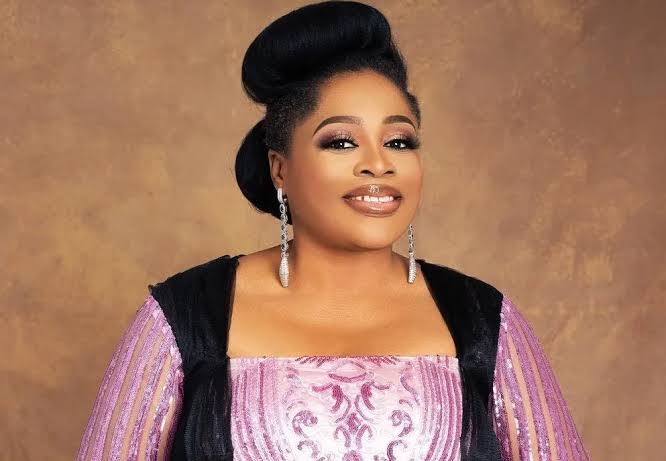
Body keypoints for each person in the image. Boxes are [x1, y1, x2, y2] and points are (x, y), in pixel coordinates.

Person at [76, 1, 591, 460]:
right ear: (280, 169)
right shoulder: (182, 320)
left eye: (400, 141)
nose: (378, 164)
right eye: (341, 142)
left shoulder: (484, 323)